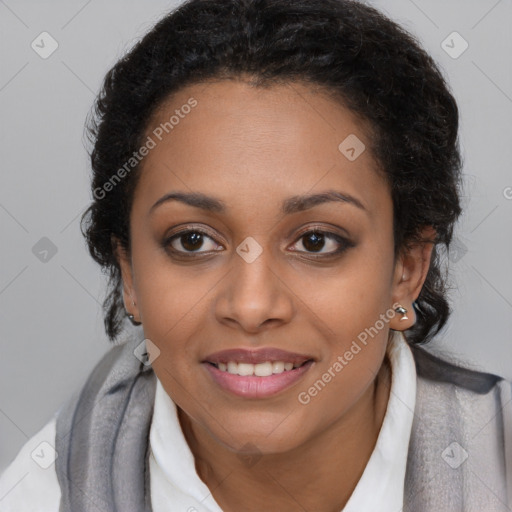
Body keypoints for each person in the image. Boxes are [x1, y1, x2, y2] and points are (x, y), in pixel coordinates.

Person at [0, 0, 510, 510]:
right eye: (193, 240)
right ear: (130, 273)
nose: (250, 306)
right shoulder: (47, 493)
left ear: (407, 269)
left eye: (316, 241)